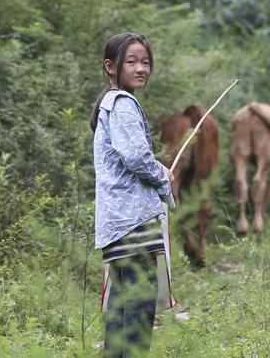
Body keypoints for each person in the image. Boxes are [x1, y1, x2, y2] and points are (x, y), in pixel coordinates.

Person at [90, 32, 175, 357]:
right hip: (134, 222)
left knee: (120, 306)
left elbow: (132, 155)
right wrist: (162, 178)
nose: (141, 68)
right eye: (132, 62)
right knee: (139, 309)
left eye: (145, 62)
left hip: (115, 225)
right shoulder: (124, 105)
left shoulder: (108, 104)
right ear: (111, 67)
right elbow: (137, 158)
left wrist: (154, 166)